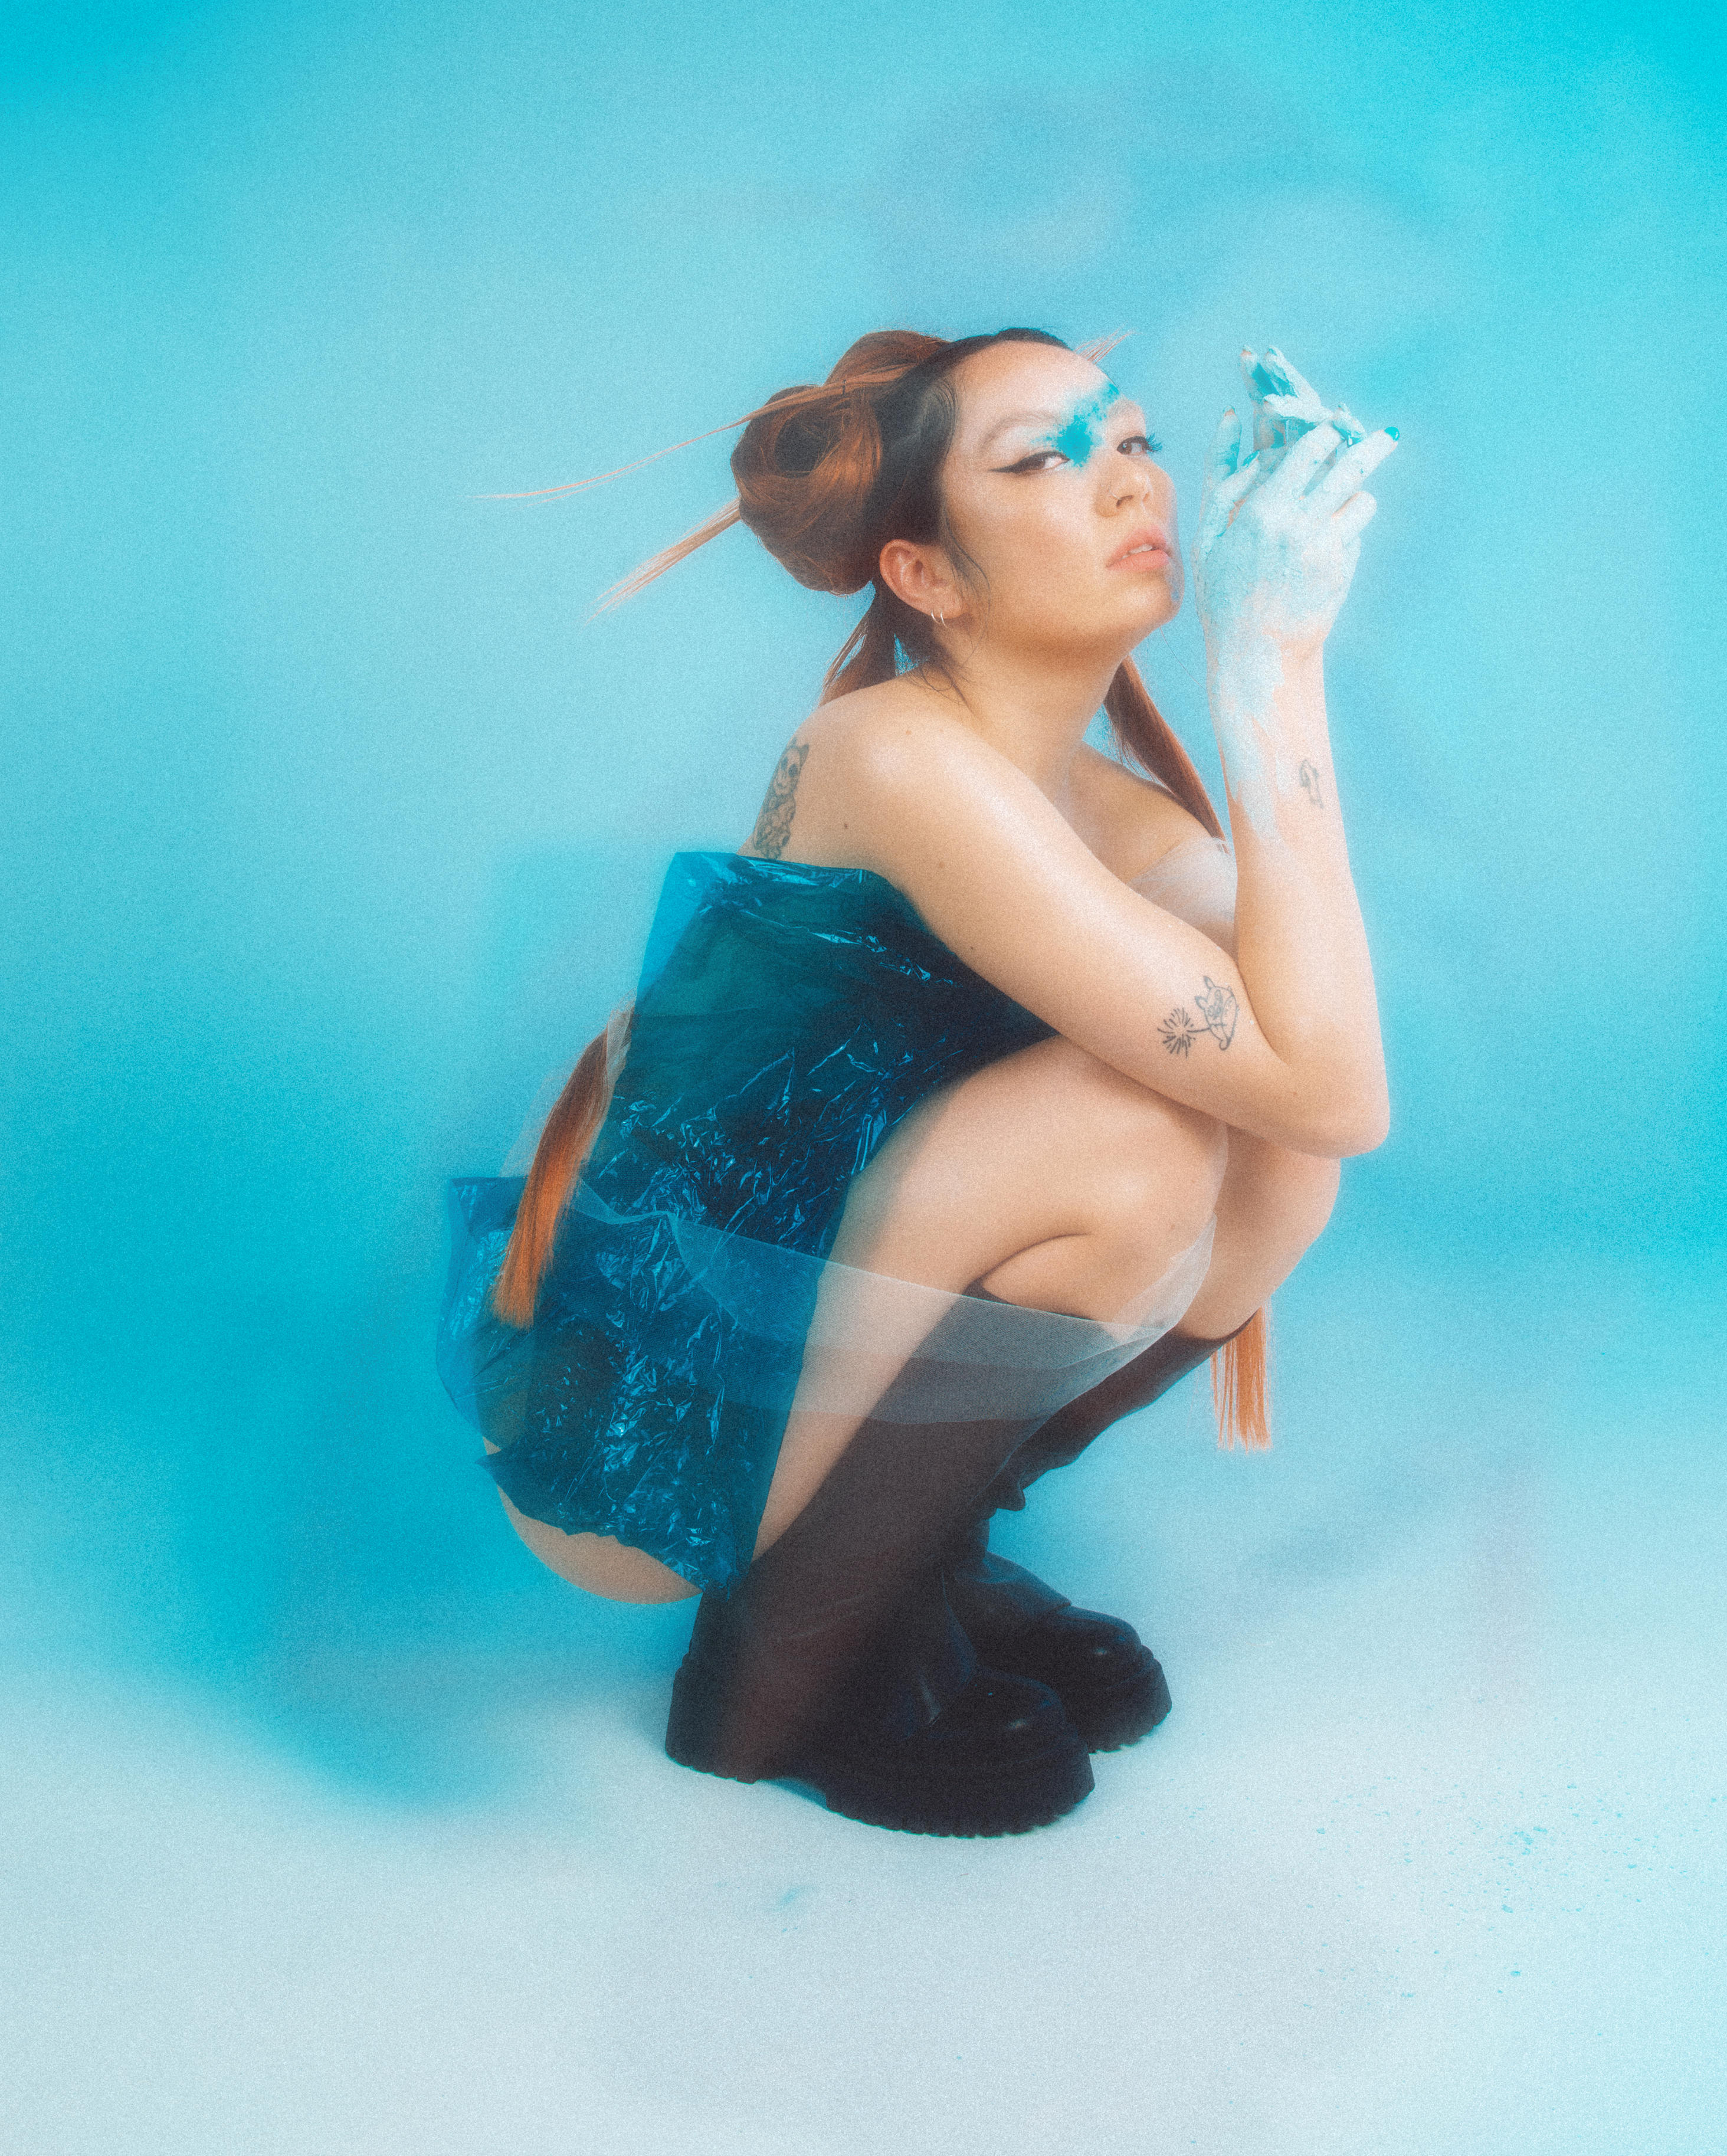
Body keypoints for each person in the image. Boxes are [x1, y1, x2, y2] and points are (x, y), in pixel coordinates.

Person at [441, 325, 1396, 1836]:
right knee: (1136, 1139)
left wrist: (1278, 675)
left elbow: (1326, 1094)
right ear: (927, 579)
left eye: (1132, 438)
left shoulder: (1109, 813)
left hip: (809, 1334)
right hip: (651, 1405)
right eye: (1042, 459)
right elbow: (1326, 1076)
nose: (1124, 480)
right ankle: (780, 1669)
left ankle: (908, 1558)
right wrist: (1263, 671)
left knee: (1277, 1161)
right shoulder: (894, 756)